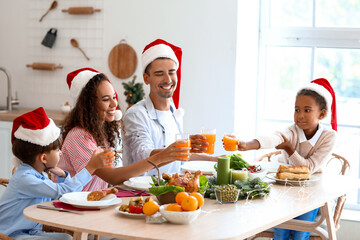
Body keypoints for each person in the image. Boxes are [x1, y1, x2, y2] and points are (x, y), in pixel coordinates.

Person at [234, 78, 337, 240]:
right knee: (281, 232)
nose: (300, 116)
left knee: (299, 233)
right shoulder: (292, 131)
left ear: (322, 114)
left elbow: (308, 169)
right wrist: (247, 145)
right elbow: (274, 139)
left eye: (307, 110)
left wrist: (289, 149)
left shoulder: (329, 136)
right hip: (287, 192)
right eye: (297, 110)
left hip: (312, 195)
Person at [58, 68, 190, 191]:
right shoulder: (79, 136)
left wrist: (171, 154)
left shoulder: (99, 133)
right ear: (88, 105)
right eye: (106, 99)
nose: (114, 104)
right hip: (74, 209)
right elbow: (113, 177)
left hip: (91, 204)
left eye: (114, 97)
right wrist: (161, 157)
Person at [0, 107, 111, 239]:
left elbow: (63, 194)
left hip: (30, 231)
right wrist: (90, 167)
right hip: (11, 235)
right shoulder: (25, 179)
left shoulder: (37, 175)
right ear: (44, 158)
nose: (61, 152)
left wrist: (63, 175)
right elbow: (62, 192)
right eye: (57, 150)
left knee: (66, 238)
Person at [123, 39, 215, 176]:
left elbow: (180, 158)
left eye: (172, 72)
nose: (168, 79)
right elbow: (142, 156)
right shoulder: (136, 114)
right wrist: (181, 148)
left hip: (171, 190)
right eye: (159, 74)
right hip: (141, 194)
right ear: (146, 78)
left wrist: (217, 160)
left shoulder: (174, 112)